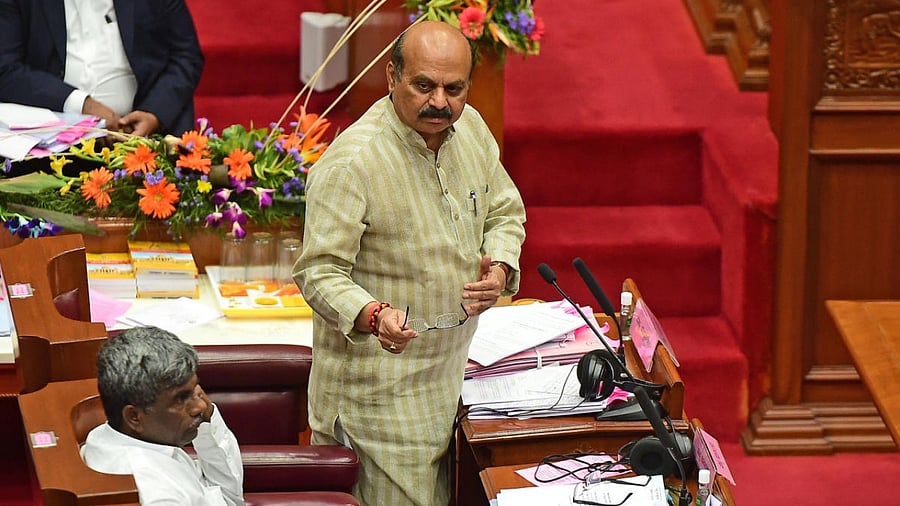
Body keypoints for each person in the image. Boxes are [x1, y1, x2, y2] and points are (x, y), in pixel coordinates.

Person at [294, 20, 527, 506]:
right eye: (424, 85)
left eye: (454, 88)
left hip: (457, 379)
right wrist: (373, 314)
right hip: (380, 397)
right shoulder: (351, 163)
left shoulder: (473, 130)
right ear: (391, 77)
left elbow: (505, 209)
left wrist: (500, 268)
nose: (440, 102)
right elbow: (317, 271)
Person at [81, 326, 244, 505]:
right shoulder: (157, 495)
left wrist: (208, 423)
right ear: (134, 416)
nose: (201, 405)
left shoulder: (118, 437)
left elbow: (226, 499)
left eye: (195, 390)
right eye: (181, 398)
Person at [0, 0, 204, 137]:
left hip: (144, 137)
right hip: (52, 139)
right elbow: (6, 69)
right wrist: (82, 105)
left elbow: (186, 55)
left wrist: (154, 114)